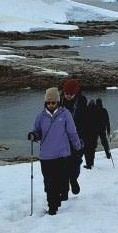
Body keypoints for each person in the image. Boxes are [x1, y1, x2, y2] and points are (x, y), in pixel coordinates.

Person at [28, 87, 82, 215]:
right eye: (48, 102)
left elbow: (72, 133)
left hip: (61, 155)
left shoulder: (65, 114)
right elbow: (37, 132)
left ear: (58, 101)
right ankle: (54, 202)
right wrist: (33, 136)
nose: (51, 105)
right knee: (48, 183)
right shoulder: (40, 116)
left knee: (56, 181)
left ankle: (53, 207)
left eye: (53, 102)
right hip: (45, 156)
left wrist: (78, 147)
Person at [58, 78, 90, 195]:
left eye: (71, 94)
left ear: (76, 93)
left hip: (78, 138)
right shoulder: (59, 101)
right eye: (66, 93)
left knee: (75, 162)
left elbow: (87, 122)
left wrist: (86, 138)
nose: (69, 96)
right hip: (62, 139)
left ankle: (73, 179)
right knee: (62, 165)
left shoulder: (82, 102)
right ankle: (64, 190)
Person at [84, 97, 112, 169]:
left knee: (93, 146)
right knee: (104, 142)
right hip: (102, 130)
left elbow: (89, 122)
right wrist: (108, 130)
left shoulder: (91, 111)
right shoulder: (104, 110)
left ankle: (91, 162)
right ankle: (108, 154)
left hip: (94, 131)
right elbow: (107, 121)